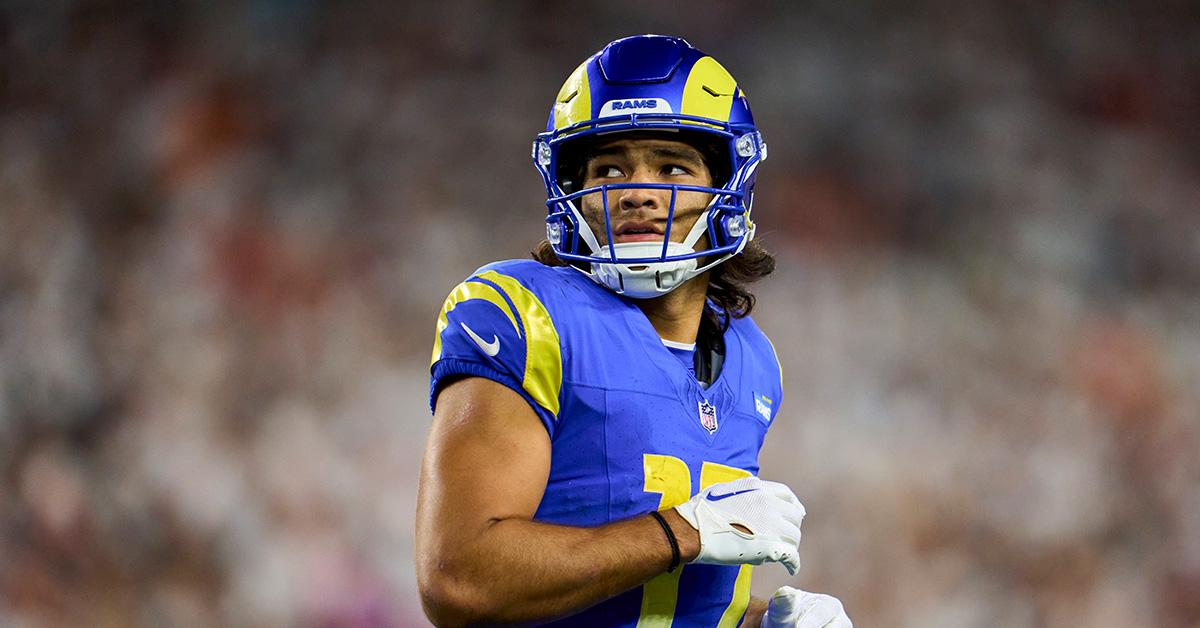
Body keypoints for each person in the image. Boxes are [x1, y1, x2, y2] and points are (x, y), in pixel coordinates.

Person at [415, 35, 852, 627]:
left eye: (672, 166)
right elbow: (459, 579)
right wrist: (683, 530)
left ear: (728, 186)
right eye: (609, 168)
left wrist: (760, 621)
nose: (638, 191)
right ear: (572, 190)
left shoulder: (752, 359)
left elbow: (664, 601)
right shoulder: (522, 313)